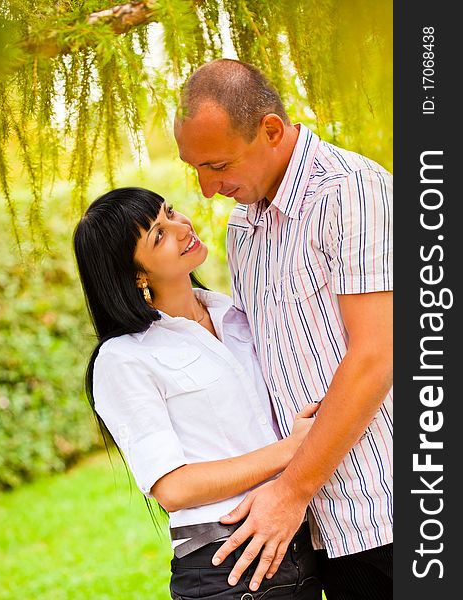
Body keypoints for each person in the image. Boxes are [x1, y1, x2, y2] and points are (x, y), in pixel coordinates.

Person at [174, 59, 393, 600]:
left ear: (271, 130)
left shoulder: (351, 191)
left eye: (218, 164)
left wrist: (291, 492)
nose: (205, 189)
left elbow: (378, 355)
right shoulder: (243, 228)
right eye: (194, 168)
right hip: (320, 529)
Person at [73, 186, 323, 599]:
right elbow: (174, 488)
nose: (181, 226)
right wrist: (291, 450)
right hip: (226, 568)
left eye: (169, 212)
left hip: (297, 546)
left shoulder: (237, 314)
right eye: (159, 234)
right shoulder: (125, 358)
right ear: (136, 275)